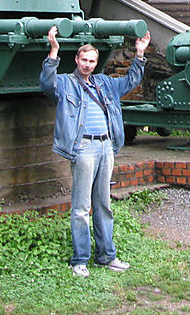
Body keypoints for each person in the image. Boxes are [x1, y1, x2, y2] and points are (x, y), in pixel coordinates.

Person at [39, 25, 150, 277]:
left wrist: (140, 54)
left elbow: (131, 81)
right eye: (84, 60)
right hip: (84, 148)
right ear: (76, 60)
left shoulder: (104, 83)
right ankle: (79, 259)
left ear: (96, 63)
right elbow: (46, 83)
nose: (87, 65)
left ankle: (106, 256)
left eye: (91, 61)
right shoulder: (66, 83)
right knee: (81, 207)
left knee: (103, 204)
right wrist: (54, 50)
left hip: (105, 147)